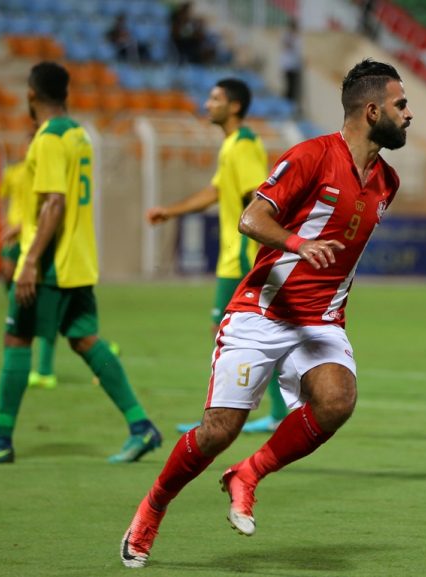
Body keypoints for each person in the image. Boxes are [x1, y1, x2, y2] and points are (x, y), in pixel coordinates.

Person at [120, 58, 412, 568]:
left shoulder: (387, 181)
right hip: (262, 312)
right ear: (372, 111)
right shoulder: (311, 156)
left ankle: (248, 474)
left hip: (321, 321)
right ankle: (152, 508)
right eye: (400, 104)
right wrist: (299, 244)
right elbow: (250, 218)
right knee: (218, 430)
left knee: (337, 401)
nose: (408, 114)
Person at [0, 62, 161, 464]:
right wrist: (24, 224)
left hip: (51, 264)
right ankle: (141, 426)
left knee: (16, 339)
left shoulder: (46, 138)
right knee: (85, 340)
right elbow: (61, 199)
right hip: (78, 259)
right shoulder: (78, 134)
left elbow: (55, 203)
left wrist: (29, 261)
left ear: (31, 94)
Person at [146, 78, 288, 435]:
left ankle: (223, 416)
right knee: (252, 333)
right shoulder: (232, 145)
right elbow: (216, 191)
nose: (207, 104)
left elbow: (254, 197)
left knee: (230, 334)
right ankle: (277, 410)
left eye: (215, 98)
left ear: (234, 106)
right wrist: (171, 211)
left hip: (240, 256)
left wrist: (264, 247)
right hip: (234, 255)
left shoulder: (244, 144)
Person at [0, 137, 59, 389]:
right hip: (15, 235)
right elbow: (2, 197)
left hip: (33, 236)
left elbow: (49, 207)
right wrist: (5, 222)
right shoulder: (13, 172)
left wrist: (21, 226)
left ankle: (44, 369)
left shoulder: (43, 174)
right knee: (12, 281)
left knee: (43, 303)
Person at [280, 18, 302, 114]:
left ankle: (290, 107)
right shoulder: (287, 36)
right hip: (288, 65)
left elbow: (298, 51)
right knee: (288, 87)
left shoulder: (297, 37)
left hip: (295, 66)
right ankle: (286, 107)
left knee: (293, 88)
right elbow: (285, 45)